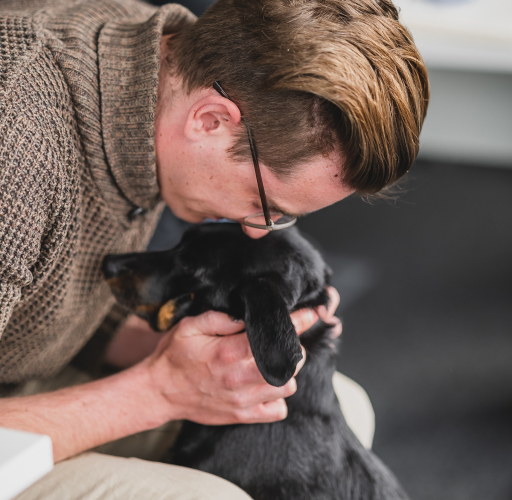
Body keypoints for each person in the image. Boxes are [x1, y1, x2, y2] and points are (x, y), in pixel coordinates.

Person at [0, 0, 429, 497]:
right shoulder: (18, 150)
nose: (257, 231)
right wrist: (160, 389)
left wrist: (205, 356)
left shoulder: (153, 66)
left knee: (328, 403)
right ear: (210, 120)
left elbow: (40, 294)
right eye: (263, 204)